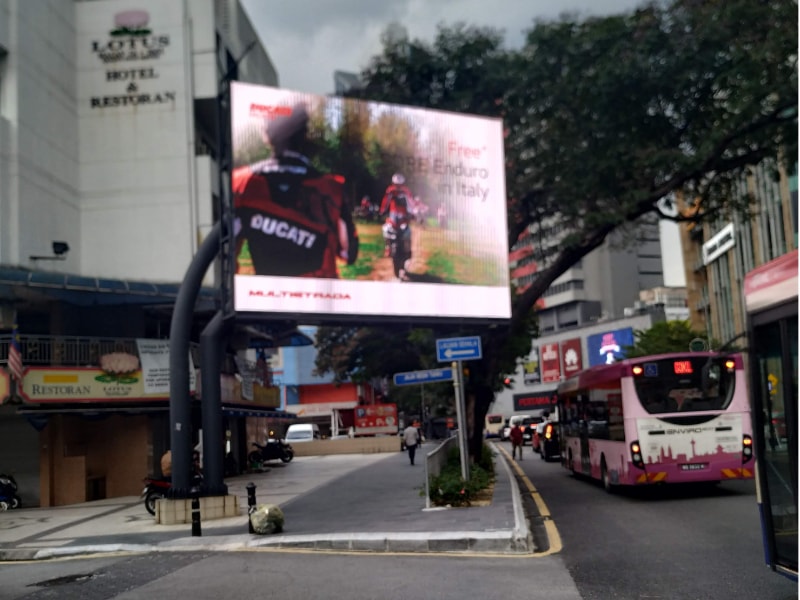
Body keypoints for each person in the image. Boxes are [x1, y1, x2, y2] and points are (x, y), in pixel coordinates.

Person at [232, 102, 358, 278]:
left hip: (268, 300)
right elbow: (349, 253)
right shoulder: (331, 188)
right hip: (320, 299)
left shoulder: (241, 183)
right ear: (304, 134)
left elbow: (226, 260)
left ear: (266, 133)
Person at [379, 173, 415, 259]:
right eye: (396, 185)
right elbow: (385, 201)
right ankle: (388, 247)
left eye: (399, 185)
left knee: (407, 232)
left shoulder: (406, 191)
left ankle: (408, 250)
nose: (397, 187)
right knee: (386, 229)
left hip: (403, 216)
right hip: (393, 215)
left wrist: (412, 212)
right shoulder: (390, 191)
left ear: (402, 184)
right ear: (393, 183)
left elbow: (410, 203)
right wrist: (382, 211)